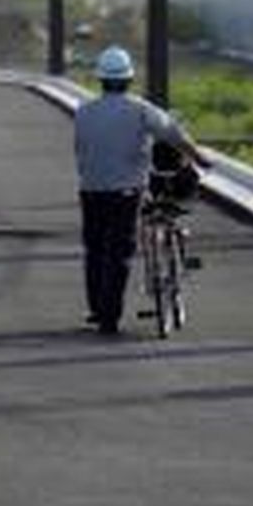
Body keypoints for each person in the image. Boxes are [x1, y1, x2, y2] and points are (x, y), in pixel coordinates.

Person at [74, 46, 211, 335]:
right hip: (127, 191)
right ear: (129, 79)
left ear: (101, 80)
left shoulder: (83, 112)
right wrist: (199, 158)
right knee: (120, 251)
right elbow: (173, 133)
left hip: (90, 190)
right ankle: (110, 318)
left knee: (96, 249)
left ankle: (98, 309)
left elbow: (81, 150)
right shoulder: (140, 110)